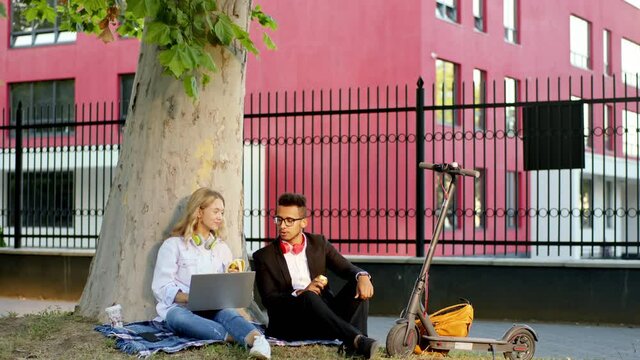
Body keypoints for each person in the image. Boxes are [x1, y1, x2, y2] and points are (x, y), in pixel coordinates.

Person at [253, 192, 379, 359]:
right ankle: (357, 340)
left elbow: (345, 268)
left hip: (325, 317)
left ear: (304, 222)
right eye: (279, 219)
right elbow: (269, 300)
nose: (282, 225)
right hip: (292, 323)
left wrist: (362, 276)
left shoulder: (319, 243)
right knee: (309, 297)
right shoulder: (263, 256)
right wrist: (301, 293)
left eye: (289, 220)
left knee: (357, 287)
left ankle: (357, 347)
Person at [151, 187, 271, 359]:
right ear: (199, 212)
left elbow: (228, 288)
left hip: (214, 307)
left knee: (229, 314)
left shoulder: (222, 248)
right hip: (181, 308)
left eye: (222, 212)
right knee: (177, 318)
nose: (220, 217)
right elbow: (161, 287)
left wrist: (234, 281)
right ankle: (236, 338)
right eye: (215, 211)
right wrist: (189, 297)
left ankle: (260, 342)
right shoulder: (172, 245)